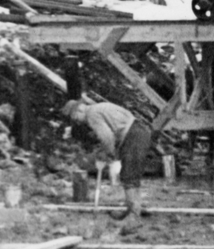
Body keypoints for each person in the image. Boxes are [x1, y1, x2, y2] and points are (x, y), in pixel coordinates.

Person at [62, 99, 152, 232]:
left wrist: (108, 154)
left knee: (129, 176)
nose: (77, 122)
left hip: (133, 135)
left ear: (80, 109)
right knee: (132, 174)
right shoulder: (99, 108)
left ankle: (134, 215)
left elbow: (107, 138)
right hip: (138, 131)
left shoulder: (91, 114)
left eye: (75, 117)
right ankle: (134, 208)